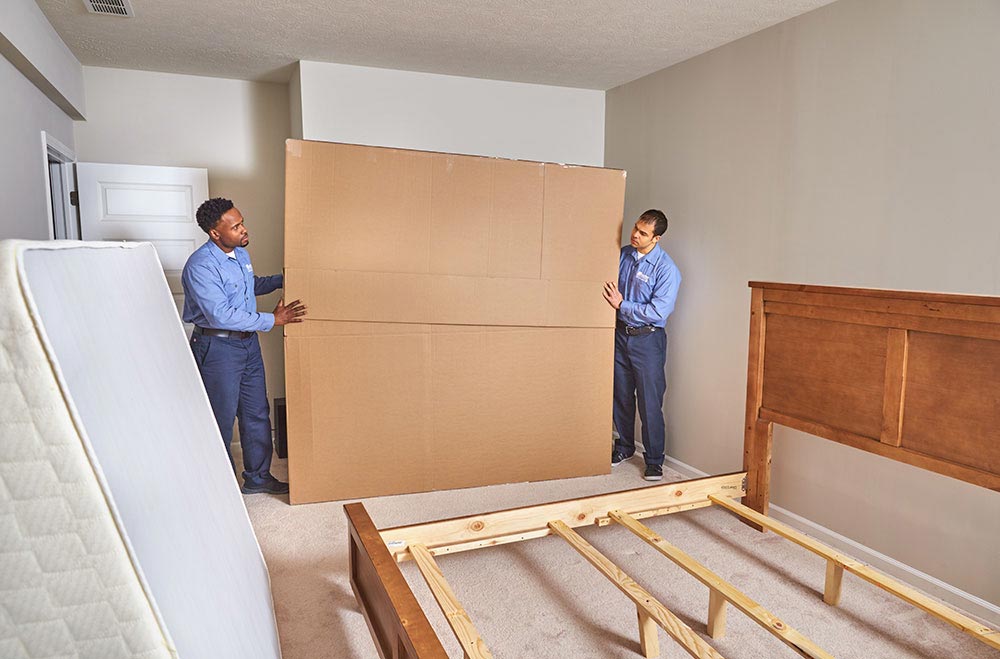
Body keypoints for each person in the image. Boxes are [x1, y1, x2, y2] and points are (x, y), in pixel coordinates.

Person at [182, 197, 306, 494]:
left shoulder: (239, 254)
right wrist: (273, 320)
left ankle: (258, 478)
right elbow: (220, 314)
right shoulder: (201, 266)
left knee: (255, 412)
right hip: (217, 348)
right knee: (220, 418)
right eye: (235, 226)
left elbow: (249, 286)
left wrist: (283, 279)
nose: (243, 229)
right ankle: (220, 488)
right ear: (215, 233)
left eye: (242, 222)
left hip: (248, 346)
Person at [602, 209, 681, 482]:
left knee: (649, 402)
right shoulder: (622, 255)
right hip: (620, 336)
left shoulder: (666, 269)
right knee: (621, 395)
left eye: (643, 233)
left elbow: (659, 312)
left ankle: (654, 461)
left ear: (656, 238)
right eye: (636, 228)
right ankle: (624, 447)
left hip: (648, 340)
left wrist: (622, 305)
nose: (635, 234)